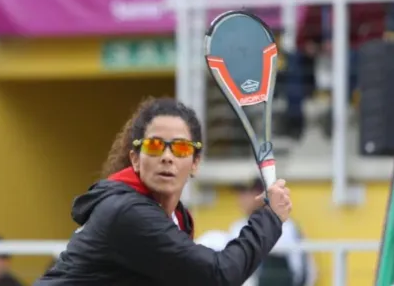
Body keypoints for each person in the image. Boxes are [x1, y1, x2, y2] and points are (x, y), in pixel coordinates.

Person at [34, 97, 292, 286]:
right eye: (155, 145)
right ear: (135, 159)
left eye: (180, 148)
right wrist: (270, 218)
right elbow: (219, 274)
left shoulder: (177, 217)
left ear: (195, 163)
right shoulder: (127, 212)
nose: (167, 157)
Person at [283, 0, 385, 139]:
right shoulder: (317, 4)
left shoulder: (362, 0)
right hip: (323, 56)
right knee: (295, 60)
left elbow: (374, 34)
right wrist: (310, 46)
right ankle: (294, 119)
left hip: (352, 53)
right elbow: (302, 37)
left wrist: (345, 46)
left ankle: (337, 111)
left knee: (352, 58)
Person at [228, 178, 317, 286]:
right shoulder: (237, 227)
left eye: (246, 193)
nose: (241, 198)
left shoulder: (286, 226)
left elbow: (304, 270)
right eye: (240, 193)